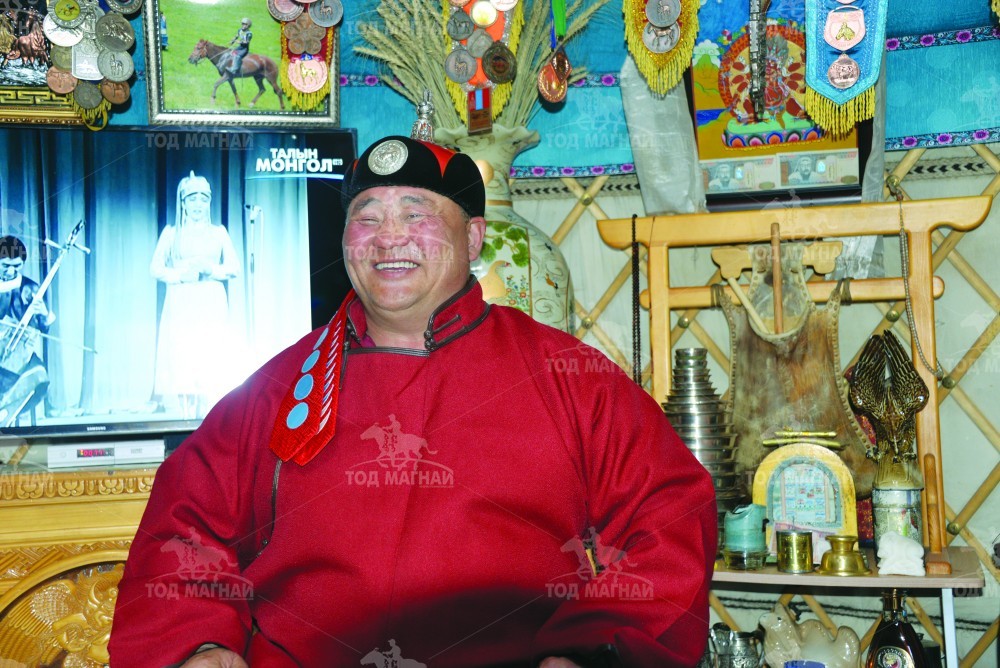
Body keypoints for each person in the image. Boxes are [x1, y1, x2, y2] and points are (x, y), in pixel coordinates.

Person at [110, 137, 717, 667]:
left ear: (473, 237)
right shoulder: (276, 388)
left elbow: (671, 512)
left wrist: (592, 648)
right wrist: (200, 644)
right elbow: (184, 528)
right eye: (367, 217)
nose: (389, 236)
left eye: (415, 213)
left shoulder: (566, 376)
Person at [150, 171, 240, 420]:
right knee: (183, 359)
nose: (198, 205)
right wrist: (180, 275)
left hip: (210, 302)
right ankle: (184, 419)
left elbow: (234, 267)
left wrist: (211, 269)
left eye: (203, 199)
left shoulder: (218, 232)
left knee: (208, 357)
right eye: (192, 199)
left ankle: (207, 418)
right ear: (183, 203)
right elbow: (155, 268)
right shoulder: (171, 233)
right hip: (182, 302)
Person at [0, 235, 54, 426]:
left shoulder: (30, 288)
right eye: (5, 266)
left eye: (17, 266)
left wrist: (44, 313)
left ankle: (7, 413)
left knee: (39, 376)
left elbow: (43, 326)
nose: (11, 271)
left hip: (20, 353)